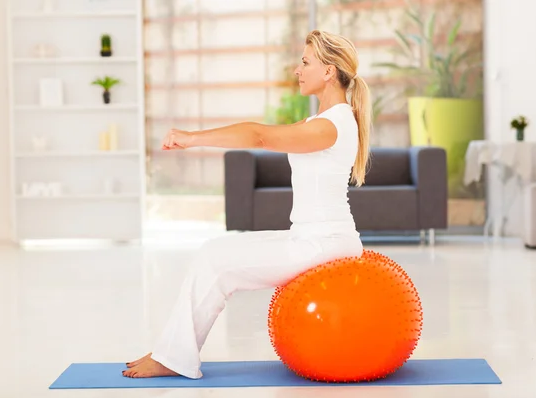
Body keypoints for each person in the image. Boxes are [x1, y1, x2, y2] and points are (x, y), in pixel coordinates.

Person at [122, 29, 372, 379]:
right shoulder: (321, 122)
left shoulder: (335, 124)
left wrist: (193, 139)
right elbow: (265, 133)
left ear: (329, 71)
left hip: (325, 244)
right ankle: (171, 352)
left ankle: (173, 357)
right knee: (213, 251)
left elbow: (259, 135)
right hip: (310, 238)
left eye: (305, 62)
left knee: (215, 260)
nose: (297, 70)